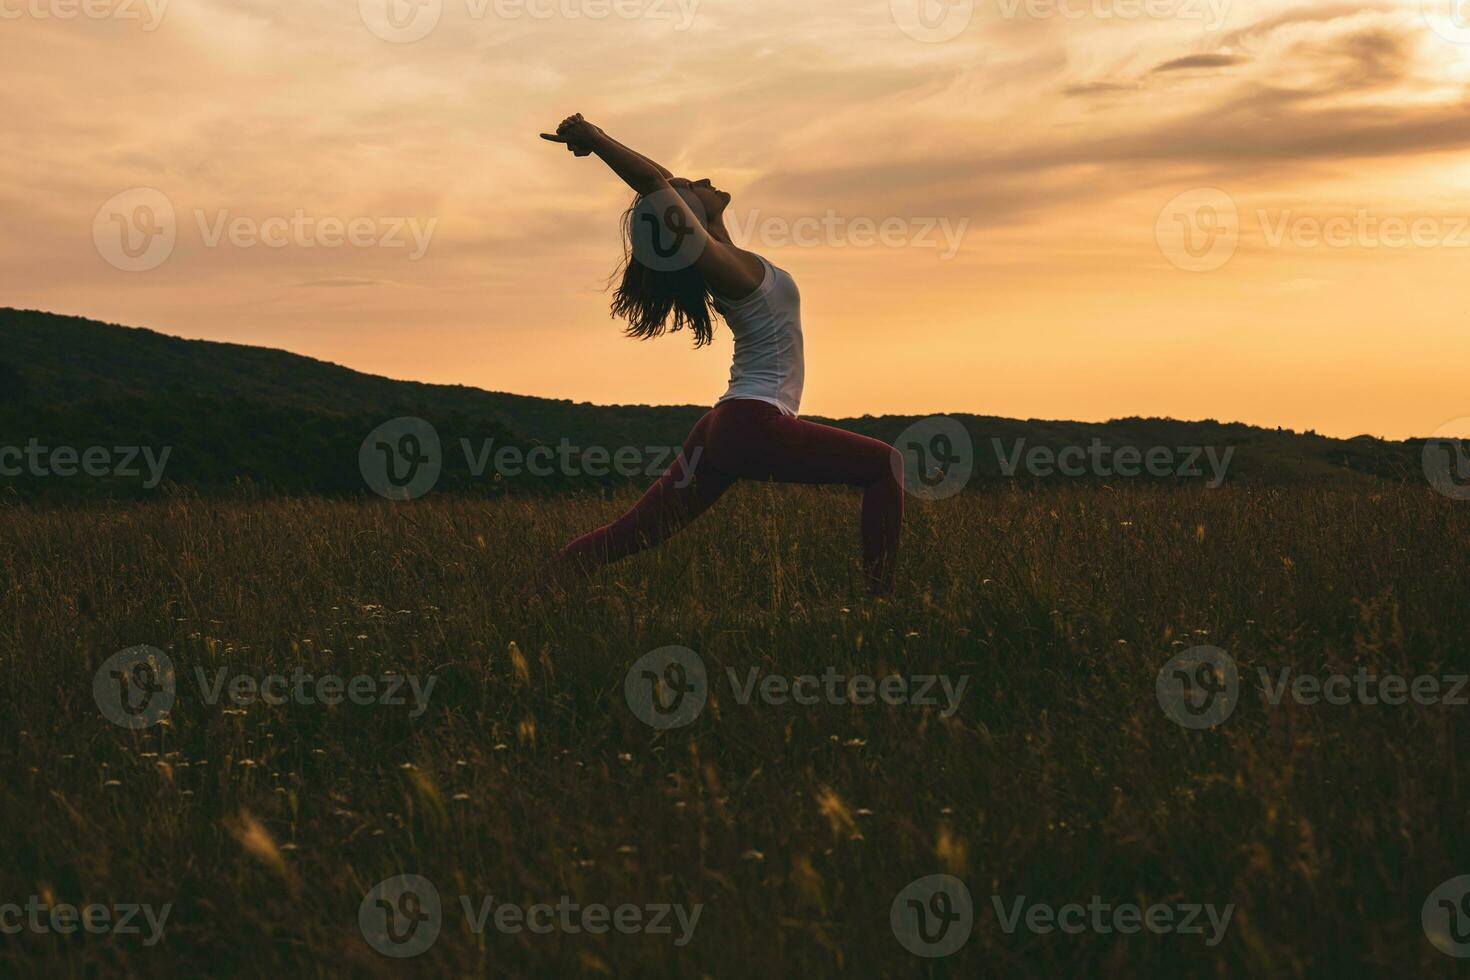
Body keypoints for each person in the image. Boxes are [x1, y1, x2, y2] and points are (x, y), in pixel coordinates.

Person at [533, 113, 903, 594]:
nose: (702, 179)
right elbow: (652, 182)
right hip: (751, 423)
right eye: (693, 185)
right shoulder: (717, 263)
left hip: (726, 425)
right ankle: (881, 603)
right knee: (883, 465)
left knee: (636, 534)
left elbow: (661, 182)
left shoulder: (726, 256)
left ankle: (535, 591)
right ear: (686, 215)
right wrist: (595, 139)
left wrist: (652, 176)